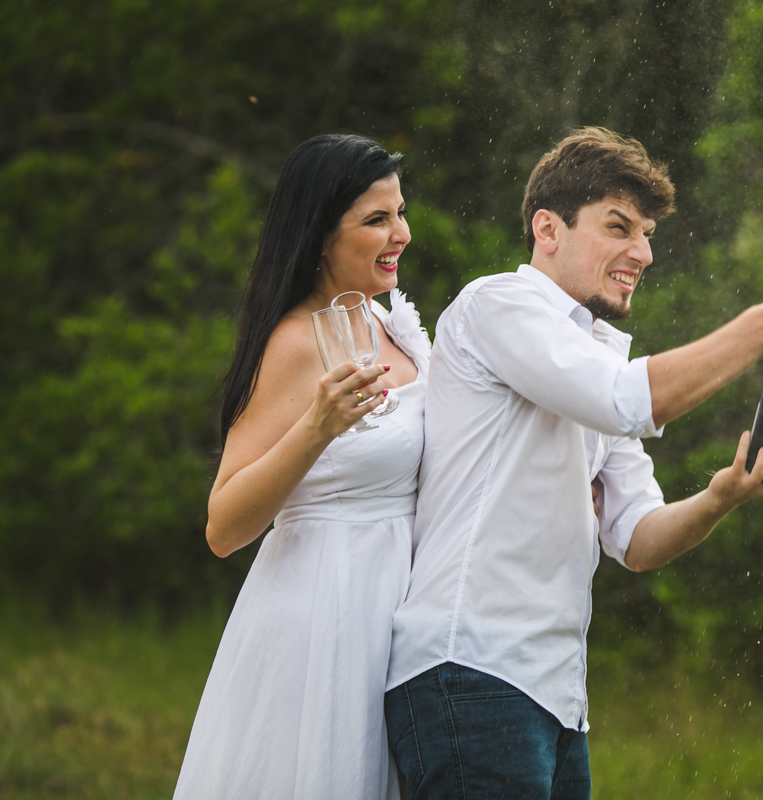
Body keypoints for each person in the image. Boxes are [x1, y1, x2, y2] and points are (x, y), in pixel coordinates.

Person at [383, 127, 763, 798]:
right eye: (619, 227)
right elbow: (623, 401)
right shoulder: (498, 305)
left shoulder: (597, 352)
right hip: (469, 672)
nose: (641, 252)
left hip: (554, 696)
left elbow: (638, 540)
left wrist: (720, 495)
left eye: (647, 234)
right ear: (547, 228)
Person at [174, 133, 429, 800]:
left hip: (404, 613)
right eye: (376, 219)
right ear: (320, 233)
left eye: (400, 212)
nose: (399, 233)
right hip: (327, 618)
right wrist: (315, 428)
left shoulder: (393, 321)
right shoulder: (291, 343)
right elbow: (224, 526)